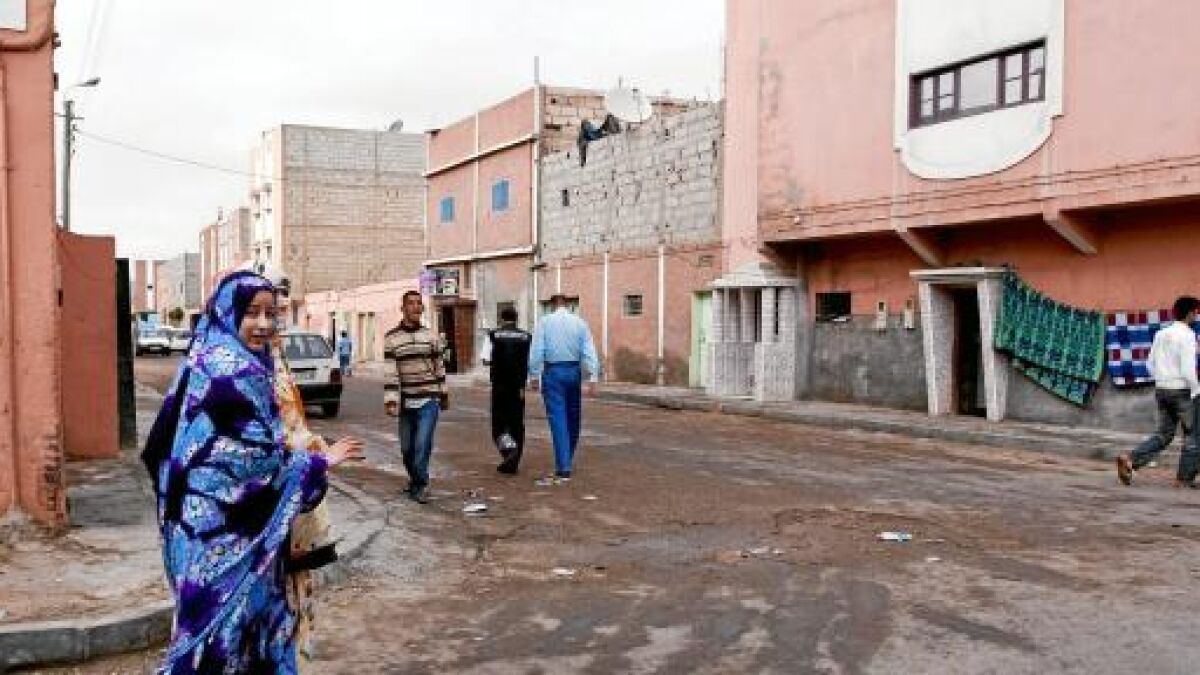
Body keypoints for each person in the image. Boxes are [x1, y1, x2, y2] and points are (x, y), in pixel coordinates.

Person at [141, 271, 363, 673]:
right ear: (229, 311)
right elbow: (250, 461)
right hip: (225, 533)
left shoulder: (210, 355)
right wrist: (316, 464)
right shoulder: (232, 370)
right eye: (251, 312)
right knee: (228, 638)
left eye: (271, 313)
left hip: (209, 528)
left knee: (217, 632)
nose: (263, 323)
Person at [1117, 295, 1200, 487]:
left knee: (1163, 435)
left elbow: (1149, 364)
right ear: (1190, 313)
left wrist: (1162, 380)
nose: (1196, 316)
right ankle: (1184, 479)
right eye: (1196, 312)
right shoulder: (1188, 335)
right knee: (1193, 436)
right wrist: (1196, 390)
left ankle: (1130, 459)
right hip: (1183, 391)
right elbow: (1188, 369)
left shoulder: (1161, 334)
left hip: (1162, 390)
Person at [383, 291, 448, 504]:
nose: (416, 307)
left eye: (419, 303)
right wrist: (391, 400)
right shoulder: (392, 338)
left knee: (422, 445)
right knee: (406, 449)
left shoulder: (431, 336)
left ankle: (420, 485)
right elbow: (391, 372)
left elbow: (439, 367)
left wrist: (443, 393)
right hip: (406, 401)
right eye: (411, 303)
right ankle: (415, 480)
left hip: (429, 399)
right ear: (402, 308)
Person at [528, 294, 600, 483]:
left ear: (552, 305)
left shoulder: (544, 322)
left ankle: (564, 465)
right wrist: (593, 376)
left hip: (553, 372)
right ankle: (568, 455)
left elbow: (537, 350)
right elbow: (589, 350)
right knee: (573, 416)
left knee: (557, 418)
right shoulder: (580, 323)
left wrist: (534, 375)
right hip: (574, 371)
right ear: (567, 305)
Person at [481, 306, 532, 474]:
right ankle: (514, 460)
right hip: (518, 387)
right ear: (516, 318)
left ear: (501, 319)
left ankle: (509, 451)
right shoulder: (526, 337)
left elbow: (485, 359)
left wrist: (498, 360)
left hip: (499, 386)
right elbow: (531, 360)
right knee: (517, 423)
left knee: (499, 424)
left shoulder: (493, 335)